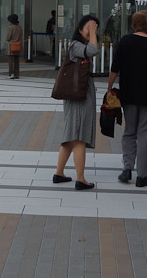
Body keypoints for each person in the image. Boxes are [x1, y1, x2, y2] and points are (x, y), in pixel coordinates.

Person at [108, 10, 147, 188]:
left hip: (129, 95)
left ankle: (127, 169)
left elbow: (114, 69)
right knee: (146, 135)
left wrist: (109, 88)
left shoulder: (126, 41)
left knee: (129, 132)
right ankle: (142, 176)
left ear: (134, 24)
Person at [54, 14, 100, 191]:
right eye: (88, 27)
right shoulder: (76, 46)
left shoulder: (80, 45)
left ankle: (59, 173)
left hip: (79, 93)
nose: (92, 30)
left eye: (94, 27)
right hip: (78, 95)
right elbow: (93, 50)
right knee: (79, 136)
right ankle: (80, 179)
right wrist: (94, 34)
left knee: (71, 136)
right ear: (80, 30)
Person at [6, 14, 23, 79]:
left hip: (11, 45)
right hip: (18, 45)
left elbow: (8, 37)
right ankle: (16, 74)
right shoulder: (19, 27)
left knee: (10, 61)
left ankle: (11, 74)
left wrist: (7, 40)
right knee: (16, 60)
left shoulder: (11, 27)